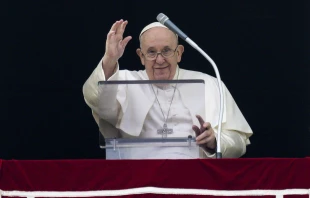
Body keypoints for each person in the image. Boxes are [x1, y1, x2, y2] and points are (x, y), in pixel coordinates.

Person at [82, 19, 253, 158]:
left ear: (179, 53)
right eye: (151, 52)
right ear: (141, 56)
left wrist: (214, 142)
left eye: (166, 51)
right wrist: (110, 59)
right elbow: (96, 99)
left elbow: (238, 142)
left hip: (194, 178)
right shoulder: (124, 81)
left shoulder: (209, 83)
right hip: (137, 178)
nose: (160, 60)